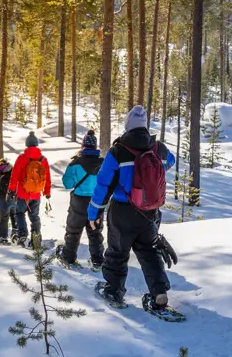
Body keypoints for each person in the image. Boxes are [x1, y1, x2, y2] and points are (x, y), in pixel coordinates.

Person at [88, 106, 176, 314]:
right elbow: (170, 162)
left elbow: (103, 185)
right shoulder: (159, 149)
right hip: (150, 212)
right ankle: (159, 294)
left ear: (128, 126)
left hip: (123, 211)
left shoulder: (118, 151)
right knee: (149, 252)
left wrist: (94, 214)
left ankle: (114, 291)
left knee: (118, 252)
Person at [57, 130, 104, 269]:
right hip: (96, 201)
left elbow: (67, 184)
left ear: (83, 145)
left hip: (78, 201)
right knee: (95, 232)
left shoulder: (75, 163)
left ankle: (68, 258)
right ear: (95, 147)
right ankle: (97, 261)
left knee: (73, 230)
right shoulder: (103, 163)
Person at [8, 131, 51, 248]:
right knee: (34, 217)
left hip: (23, 193)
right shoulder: (43, 159)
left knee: (20, 213)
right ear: (36, 144)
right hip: (36, 194)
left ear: (26, 144)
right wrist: (47, 192)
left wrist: (11, 190)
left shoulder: (22, 158)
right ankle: (36, 238)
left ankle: (22, 234)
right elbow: (47, 177)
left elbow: (14, 176)